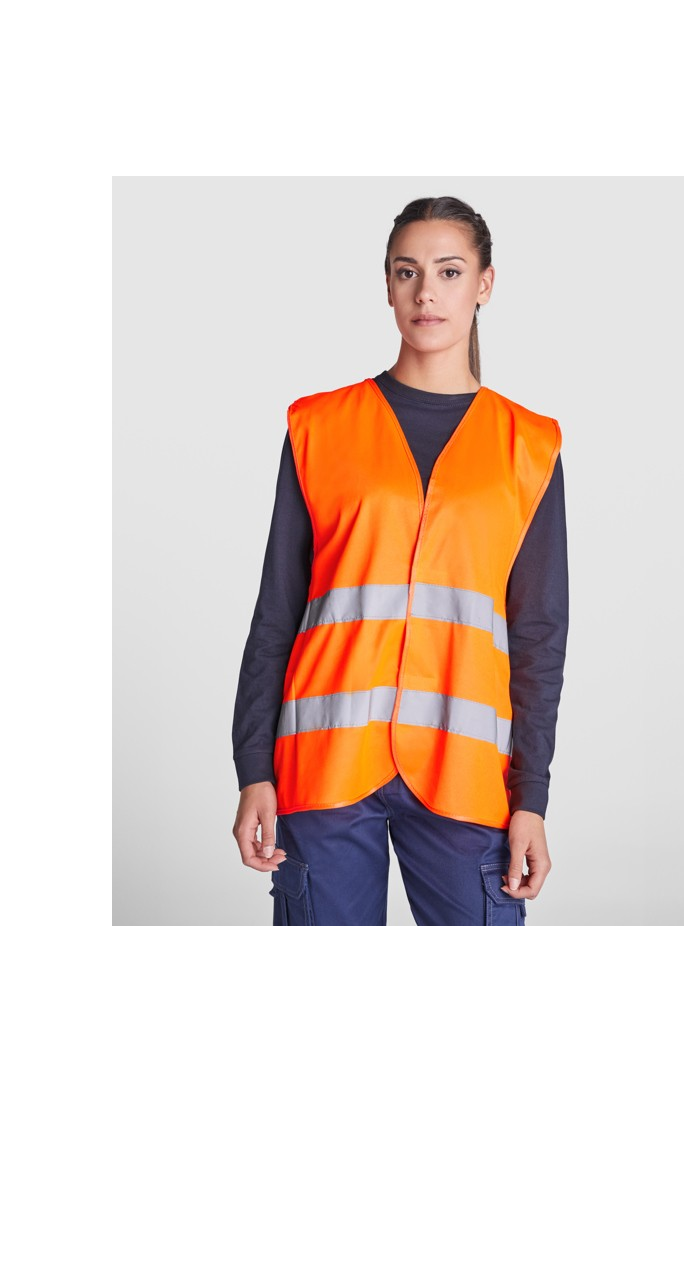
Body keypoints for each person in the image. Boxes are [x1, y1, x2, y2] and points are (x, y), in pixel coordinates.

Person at [231, 196, 569, 925]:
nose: (426, 293)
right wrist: (253, 768)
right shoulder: (319, 428)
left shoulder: (529, 446)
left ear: (484, 284)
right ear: (386, 285)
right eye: (407, 272)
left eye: (449, 272)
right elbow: (276, 612)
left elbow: (540, 635)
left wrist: (532, 798)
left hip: (464, 775)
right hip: (325, 768)